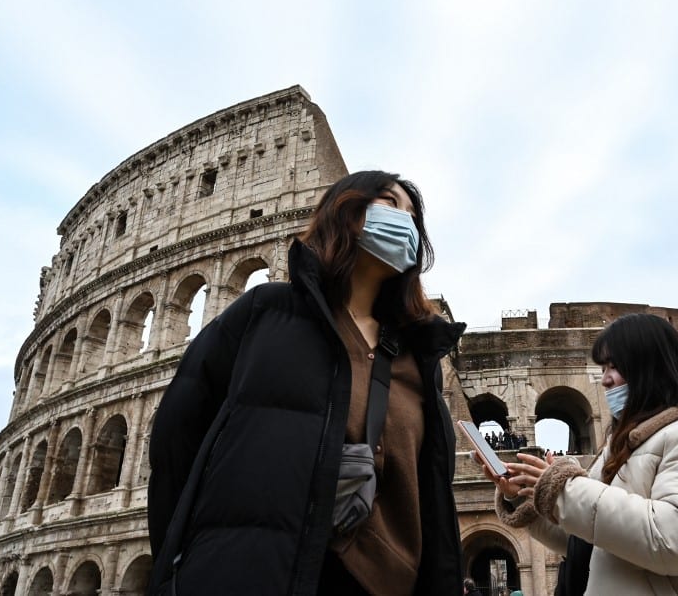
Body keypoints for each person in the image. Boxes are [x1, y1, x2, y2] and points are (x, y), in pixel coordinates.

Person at [147, 171, 467, 595]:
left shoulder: (418, 358)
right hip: (258, 572)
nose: (405, 221)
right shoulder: (265, 313)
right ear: (345, 209)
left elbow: (431, 491)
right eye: (390, 203)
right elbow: (176, 440)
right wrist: (186, 567)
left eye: (413, 217)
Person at [476, 313, 678, 595]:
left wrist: (565, 490)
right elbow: (588, 542)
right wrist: (525, 499)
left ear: (650, 367)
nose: (605, 379)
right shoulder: (622, 448)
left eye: (614, 366)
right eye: (603, 369)